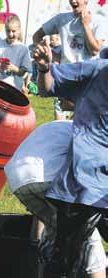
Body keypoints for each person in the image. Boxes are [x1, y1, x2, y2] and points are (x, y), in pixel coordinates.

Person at [32, 36, 108, 278]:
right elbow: (47, 87)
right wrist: (44, 67)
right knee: (63, 259)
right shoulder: (96, 70)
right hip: (82, 184)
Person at [4, 120, 106, 278]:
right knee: (86, 234)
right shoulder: (92, 136)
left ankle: (38, 261)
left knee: (56, 233)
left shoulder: (61, 125)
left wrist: (34, 241)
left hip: (17, 177)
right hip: (49, 180)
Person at [32, 0, 107, 121]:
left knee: (83, 123)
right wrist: (46, 52)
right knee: (60, 121)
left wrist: (86, 25)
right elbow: (37, 36)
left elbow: (95, 50)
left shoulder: (98, 21)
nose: (73, 1)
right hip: (65, 78)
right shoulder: (62, 19)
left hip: (87, 81)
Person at [0, 15, 32, 91]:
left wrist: (14, 68)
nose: (10, 34)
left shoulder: (23, 49)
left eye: (13, 31)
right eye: (8, 31)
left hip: (13, 89)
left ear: (19, 30)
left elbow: (23, 73)